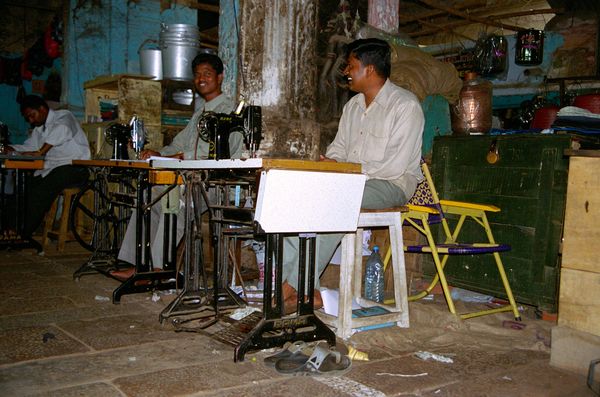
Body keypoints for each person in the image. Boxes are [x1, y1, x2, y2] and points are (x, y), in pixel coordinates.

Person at [281, 38, 424, 313]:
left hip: (390, 185)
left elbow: (393, 167)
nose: (346, 71)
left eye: (351, 66)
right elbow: (339, 150)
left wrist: (347, 173)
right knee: (294, 201)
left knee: (336, 204)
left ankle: (292, 289)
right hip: (353, 182)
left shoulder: (405, 106)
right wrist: (330, 162)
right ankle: (290, 285)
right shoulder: (353, 106)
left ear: (369, 69)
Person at [117, 52, 243, 271]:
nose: (201, 79)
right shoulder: (199, 113)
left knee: (173, 202)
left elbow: (205, 155)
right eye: (197, 75)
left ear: (220, 77)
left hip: (215, 183)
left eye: (207, 74)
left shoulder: (229, 111)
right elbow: (178, 145)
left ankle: (159, 269)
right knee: (147, 196)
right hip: (188, 178)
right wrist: (155, 153)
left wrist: (172, 157)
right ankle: (136, 263)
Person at [5, 95, 91, 241]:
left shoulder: (64, 117)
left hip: (75, 168)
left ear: (43, 109)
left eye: (32, 116)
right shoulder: (40, 129)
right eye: (28, 118)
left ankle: (21, 232)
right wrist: (10, 148)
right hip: (54, 169)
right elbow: (30, 146)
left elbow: (62, 130)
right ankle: (8, 228)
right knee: (24, 187)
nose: (31, 121)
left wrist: (41, 152)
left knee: (41, 191)